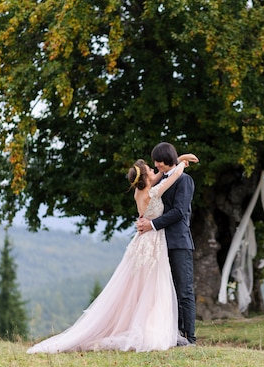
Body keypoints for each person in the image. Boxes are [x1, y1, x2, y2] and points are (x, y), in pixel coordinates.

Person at [27, 154, 198, 353]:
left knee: (143, 289)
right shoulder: (154, 191)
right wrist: (181, 163)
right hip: (151, 242)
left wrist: (173, 160)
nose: (155, 170)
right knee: (153, 288)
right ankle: (162, 331)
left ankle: (163, 329)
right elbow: (173, 176)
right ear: (145, 177)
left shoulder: (139, 192)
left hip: (143, 243)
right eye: (151, 170)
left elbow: (163, 174)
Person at [137, 142, 197, 345]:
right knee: (167, 290)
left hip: (179, 242)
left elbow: (179, 211)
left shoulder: (185, 181)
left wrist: (152, 224)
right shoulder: (160, 180)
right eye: (154, 161)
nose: (156, 164)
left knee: (184, 290)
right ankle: (174, 334)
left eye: (159, 161)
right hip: (159, 243)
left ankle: (190, 337)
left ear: (168, 159)